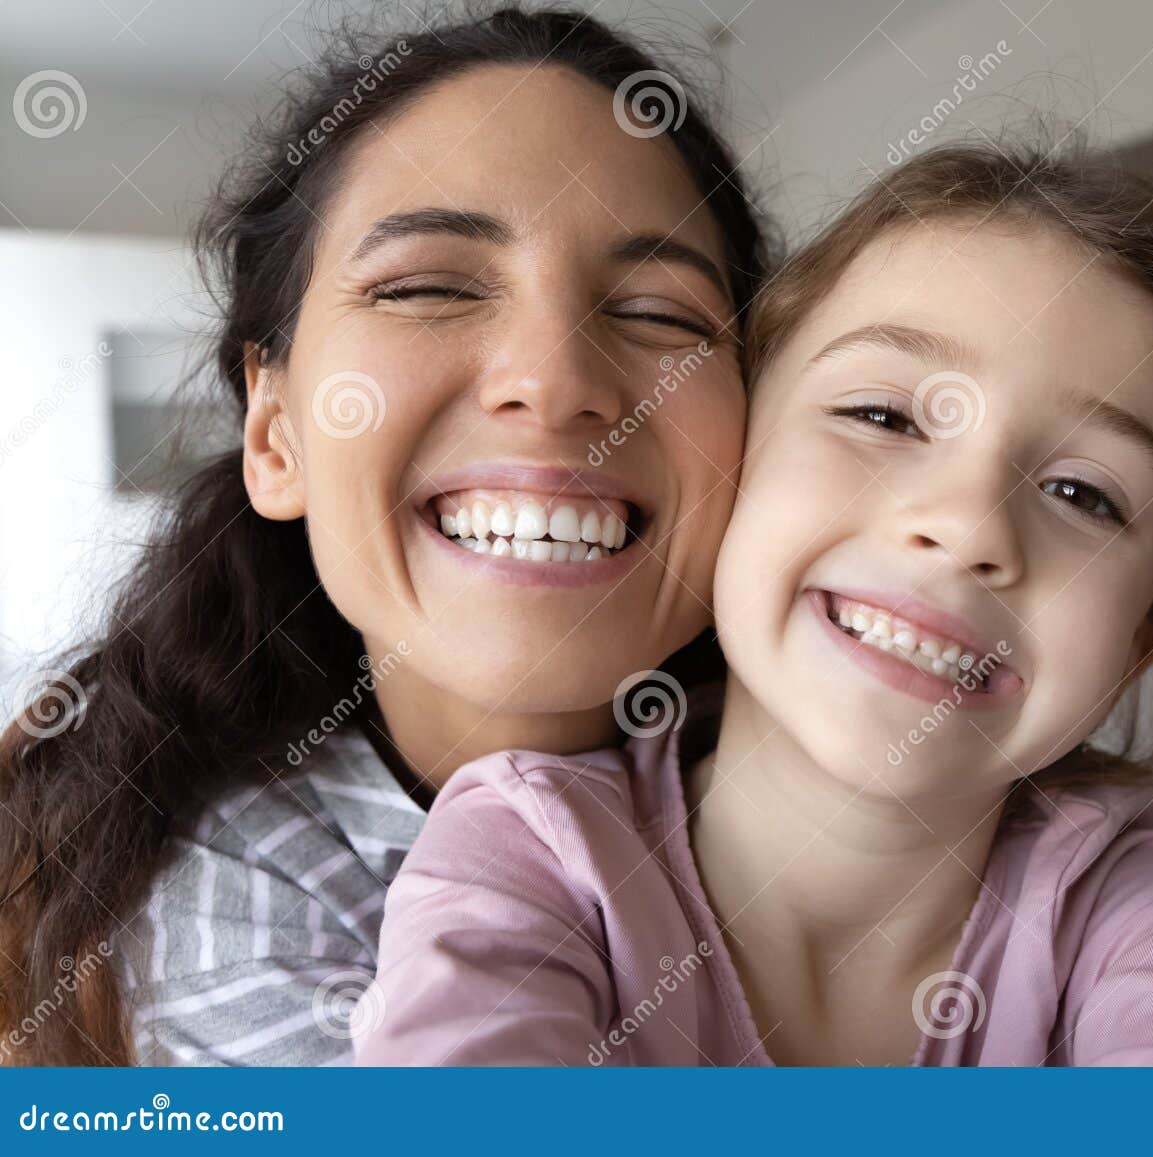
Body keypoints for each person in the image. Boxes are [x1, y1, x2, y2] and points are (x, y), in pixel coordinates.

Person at [352, 142, 1153, 1066]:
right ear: (730, 467)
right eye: (883, 414)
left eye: (1084, 493)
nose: (966, 526)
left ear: (1134, 648)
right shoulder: (529, 852)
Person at [0, 6, 770, 1066]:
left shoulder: (904, 785)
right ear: (276, 436)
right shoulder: (226, 896)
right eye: (426, 287)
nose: (552, 382)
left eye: (659, 313)